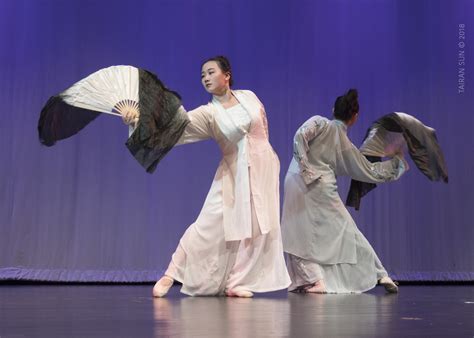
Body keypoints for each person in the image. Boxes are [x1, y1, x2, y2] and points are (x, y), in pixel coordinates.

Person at [124, 56, 290, 297]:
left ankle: (236, 282)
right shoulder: (209, 113)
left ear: (227, 75)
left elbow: (262, 127)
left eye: (211, 72)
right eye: (202, 75)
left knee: (257, 227)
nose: (206, 78)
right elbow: (175, 128)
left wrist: (264, 157)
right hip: (233, 173)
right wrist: (138, 121)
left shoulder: (249, 97)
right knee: (207, 225)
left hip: (264, 167)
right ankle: (171, 274)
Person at [281, 89, 406, 294]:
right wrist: (397, 163)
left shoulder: (320, 123)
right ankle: (378, 273)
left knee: (297, 232)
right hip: (320, 186)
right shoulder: (345, 145)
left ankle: (315, 280)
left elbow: (300, 136)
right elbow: (370, 171)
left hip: (297, 180)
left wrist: (305, 167)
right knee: (347, 231)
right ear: (354, 118)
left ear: (333, 110)